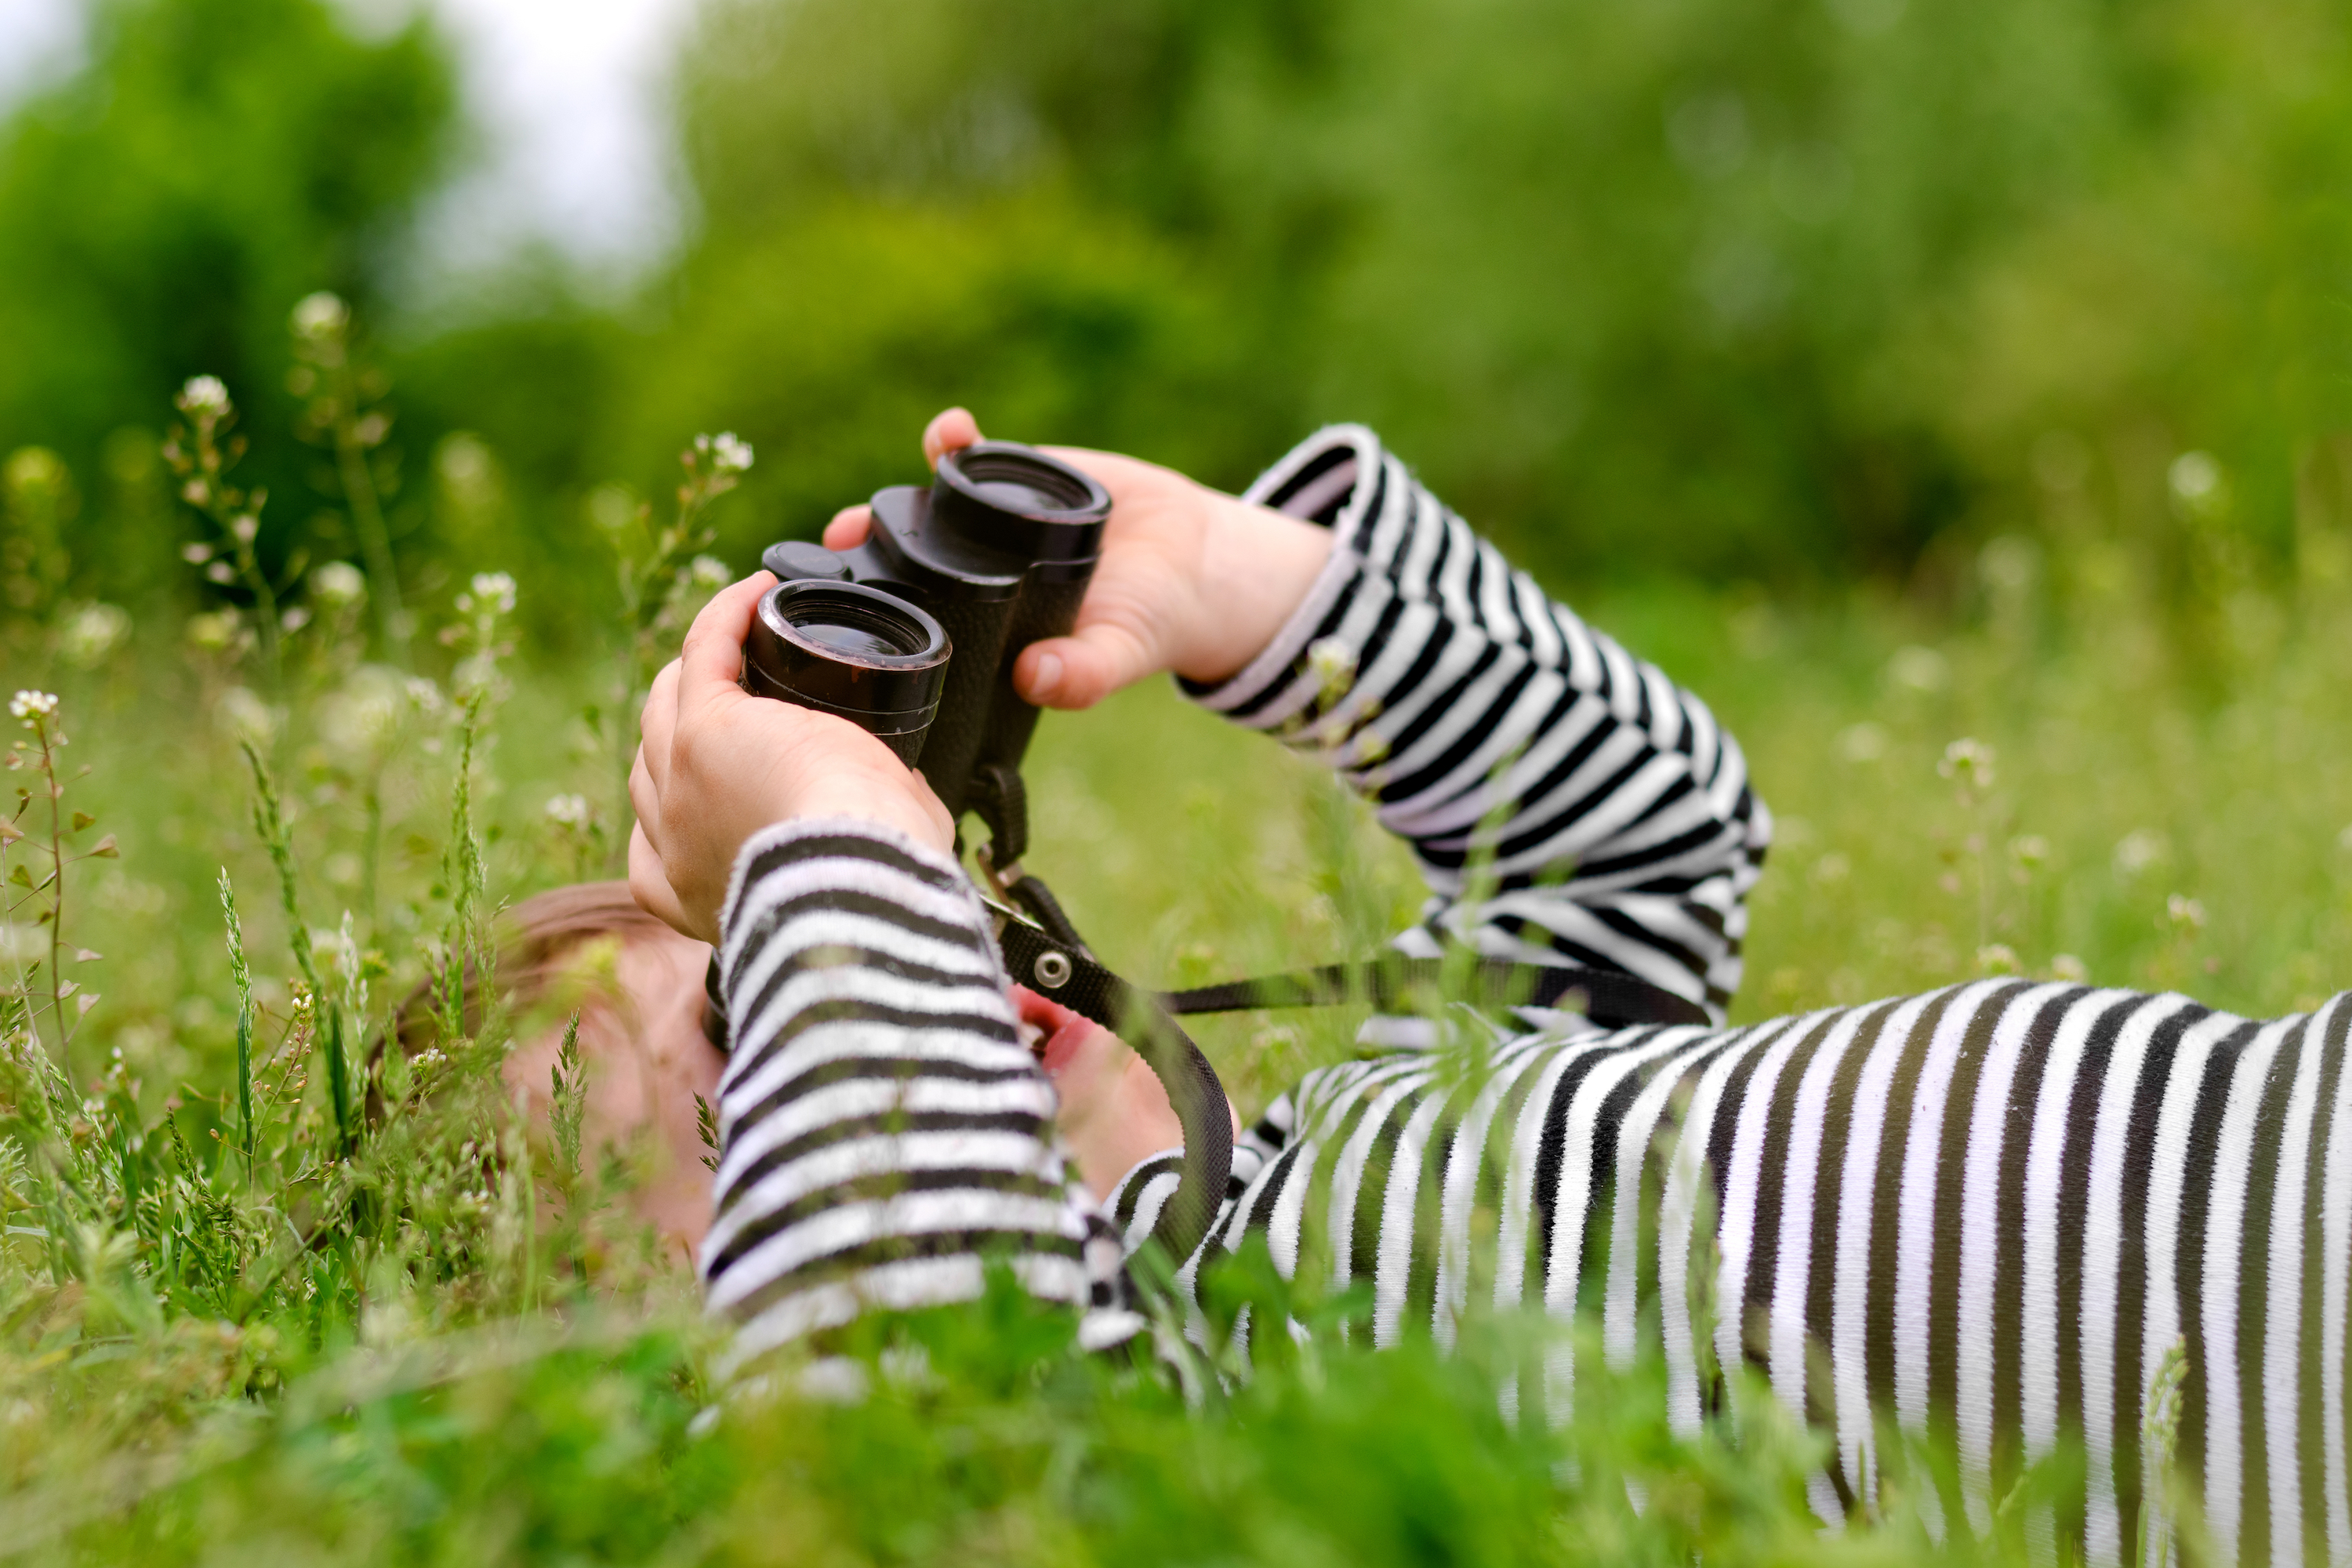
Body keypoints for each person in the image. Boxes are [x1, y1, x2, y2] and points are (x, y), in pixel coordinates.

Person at [617, 409, 2345, 1568]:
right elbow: (905, 1407)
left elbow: (1648, 838)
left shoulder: (1386, 1123)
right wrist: (835, 824)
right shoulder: (1205, 1446)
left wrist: (1234, 578)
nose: (903, 960)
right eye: (754, 1021)